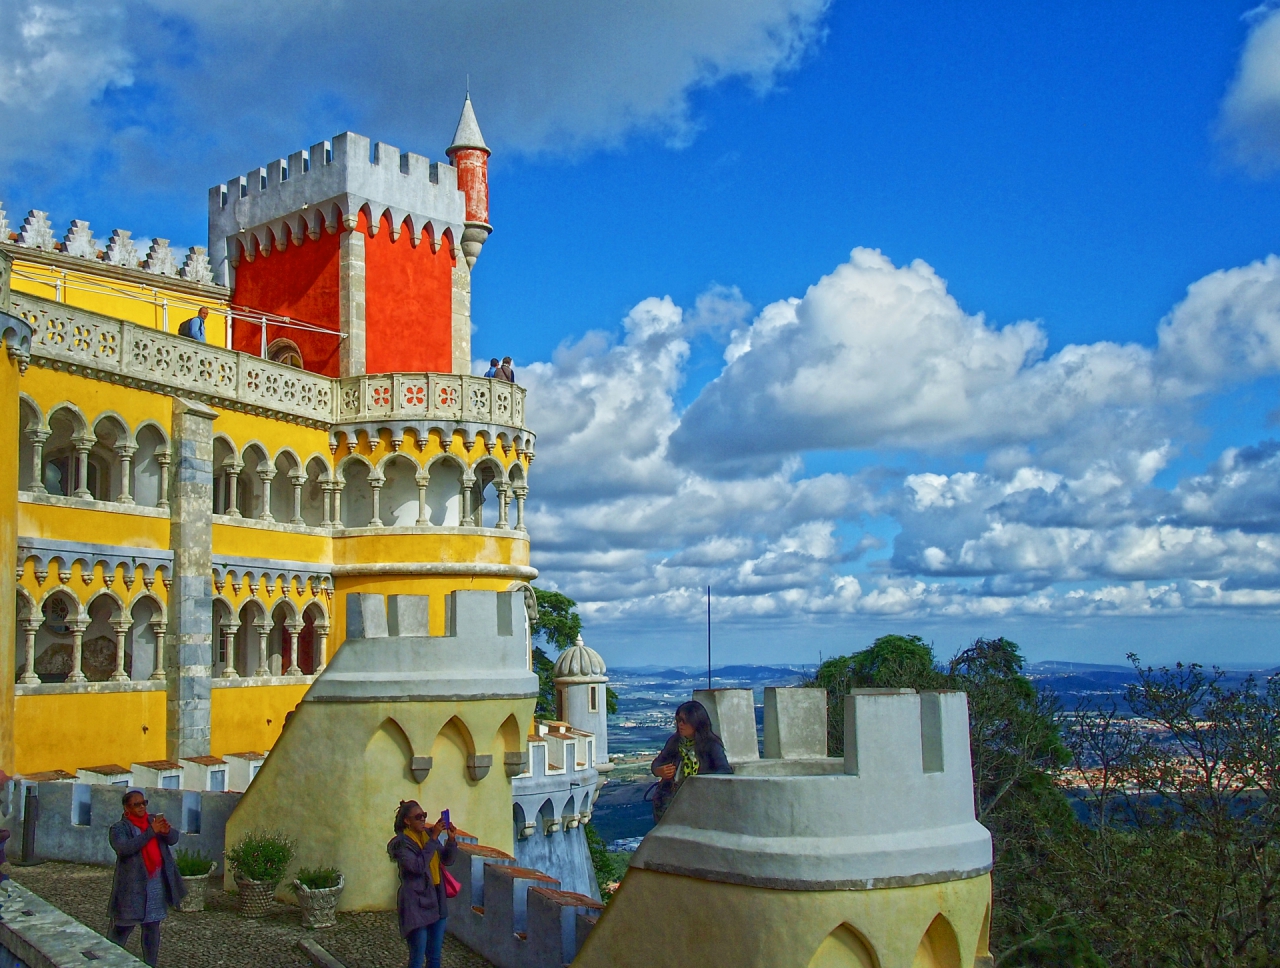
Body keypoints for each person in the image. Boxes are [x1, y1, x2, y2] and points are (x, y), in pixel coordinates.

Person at [108, 789, 185, 967]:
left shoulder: (152, 821)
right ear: (127, 808)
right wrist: (151, 832)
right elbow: (125, 848)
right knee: (123, 927)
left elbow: (173, 839)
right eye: (137, 804)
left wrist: (165, 831)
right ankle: (107, 959)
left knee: (152, 927)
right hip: (132, 887)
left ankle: (150, 964)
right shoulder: (119, 828)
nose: (142, 807)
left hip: (154, 883)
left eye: (144, 803)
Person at [388, 800, 458, 968]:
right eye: (418, 817)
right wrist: (433, 838)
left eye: (424, 816)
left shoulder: (427, 835)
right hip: (415, 904)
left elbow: (447, 860)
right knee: (417, 958)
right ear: (407, 821)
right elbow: (417, 867)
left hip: (437, 899)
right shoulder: (403, 844)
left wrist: (451, 840)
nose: (423, 820)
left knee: (434, 957)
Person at [649, 699, 733, 822]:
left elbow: (725, 771)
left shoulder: (711, 745)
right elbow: (657, 763)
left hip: (699, 800)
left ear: (696, 722)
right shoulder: (675, 742)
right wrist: (659, 771)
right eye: (678, 721)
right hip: (670, 799)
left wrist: (700, 780)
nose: (680, 725)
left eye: (685, 721)